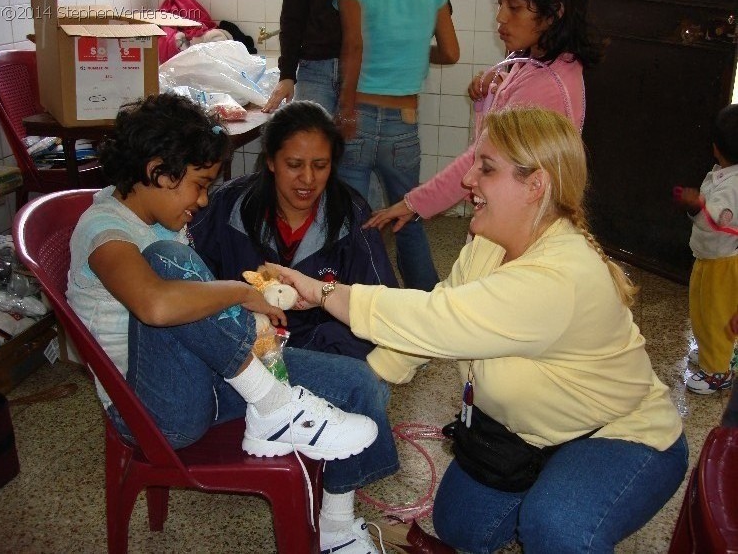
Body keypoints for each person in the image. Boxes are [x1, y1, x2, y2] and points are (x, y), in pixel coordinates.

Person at [275, 107, 688, 553]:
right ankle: (553, 484)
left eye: (485, 168)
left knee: (556, 527)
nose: (468, 179)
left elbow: (435, 319)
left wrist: (323, 293)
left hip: (619, 435)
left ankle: (565, 494)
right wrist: (362, 387)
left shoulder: (560, 278)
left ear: (536, 185)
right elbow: (428, 327)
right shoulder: (489, 246)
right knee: (459, 526)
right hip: (526, 435)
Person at [66, 92, 398, 554]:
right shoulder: (105, 229)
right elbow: (157, 307)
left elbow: (197, 312)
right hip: (152, 413)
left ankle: (337, 529)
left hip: (204, 378)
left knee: (357, 382)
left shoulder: (164, 221)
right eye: (198, 184)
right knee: (169, 261)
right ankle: (275, 404)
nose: (203, 200)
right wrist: (245, 294)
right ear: (157, 170)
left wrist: (268, 301)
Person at [366, 0, 602, 236]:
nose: (500, 17)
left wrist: (414, 203)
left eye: (514, 7)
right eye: (500, 3)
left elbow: (481, 158)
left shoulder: (545, 86)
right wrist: (496, 90)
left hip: (513, 226)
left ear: (554, 13)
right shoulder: (546, 62)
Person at [191, 100, 398, 361]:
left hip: (316, 348)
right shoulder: (229, 205)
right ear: (270, 161)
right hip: (243, 347)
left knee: (360, 353)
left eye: (320, 166)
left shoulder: (351, 215)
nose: (308, 179)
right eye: (294, 164)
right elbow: (187, 276)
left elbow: (383, 302)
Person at [335, 0, 460, 291]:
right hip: (403, 121)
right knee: (409, 215)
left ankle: (349, 296)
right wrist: (416, 52)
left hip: (359, 115)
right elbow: (451, 53)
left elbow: (353, 45)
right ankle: (426, 297)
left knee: (349, 217)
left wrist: (345, 107)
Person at [673, 104, 738, 395]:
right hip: (709, 257)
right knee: (700, 308)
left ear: (716, 147)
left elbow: (717, 221)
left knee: (715, 314)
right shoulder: (722, 175)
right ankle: (712, 350)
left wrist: (696, 205)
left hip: (722, 264)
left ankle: (718, 371)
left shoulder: (731, 186)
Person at [262, 0, 341, 115]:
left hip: (364, 70)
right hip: (314, 69)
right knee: (304, 131)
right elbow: (292, 19)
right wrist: (287, 75)